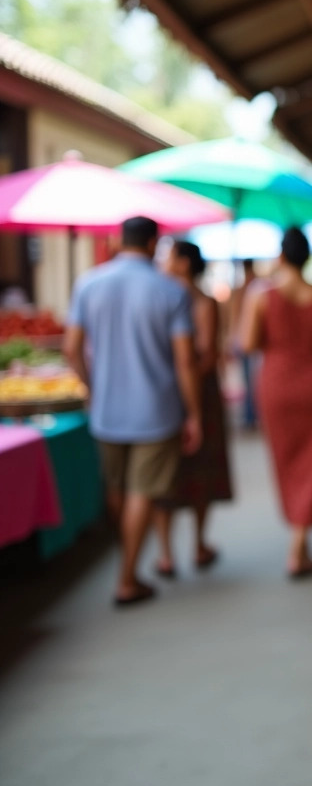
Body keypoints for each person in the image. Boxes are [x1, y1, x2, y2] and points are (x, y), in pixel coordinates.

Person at [63, 216, 202, 607]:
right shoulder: (170, 291)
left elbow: (72, 349)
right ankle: (127, 578)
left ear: (118, 240)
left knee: (119, 489)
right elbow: (185, 361)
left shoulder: (88, 283)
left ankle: (127, 567)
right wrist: (193, 414)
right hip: (156, 411)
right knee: (143, 491)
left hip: (107, 410)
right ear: (154, 242)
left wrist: (91, 388)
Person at [242, 228, 312, 577]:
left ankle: (299, 545)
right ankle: (301, 545)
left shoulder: (261, 295)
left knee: (287, 462)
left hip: (276, 386)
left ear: (282, 256)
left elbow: (248, 344)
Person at [153, 240, 233, 577]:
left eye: (168, 255)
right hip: (179, 392)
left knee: (198, 470)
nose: (162, 261)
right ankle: (171, 551)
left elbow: (205, 355)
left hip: (193, 394)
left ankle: (191, 545)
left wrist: (183, 382)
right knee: (168, 473)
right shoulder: (169, 297)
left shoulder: (201, 302)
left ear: (184, 263)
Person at [228, 259, 262, 429]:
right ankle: (253, 415)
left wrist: (233, 339)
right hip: (253, 340)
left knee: (250, 379)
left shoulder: (243, 289)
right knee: (254, 379)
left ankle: (251, 416)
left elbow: (234, 317)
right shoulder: (258, 287)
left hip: (244, 339)